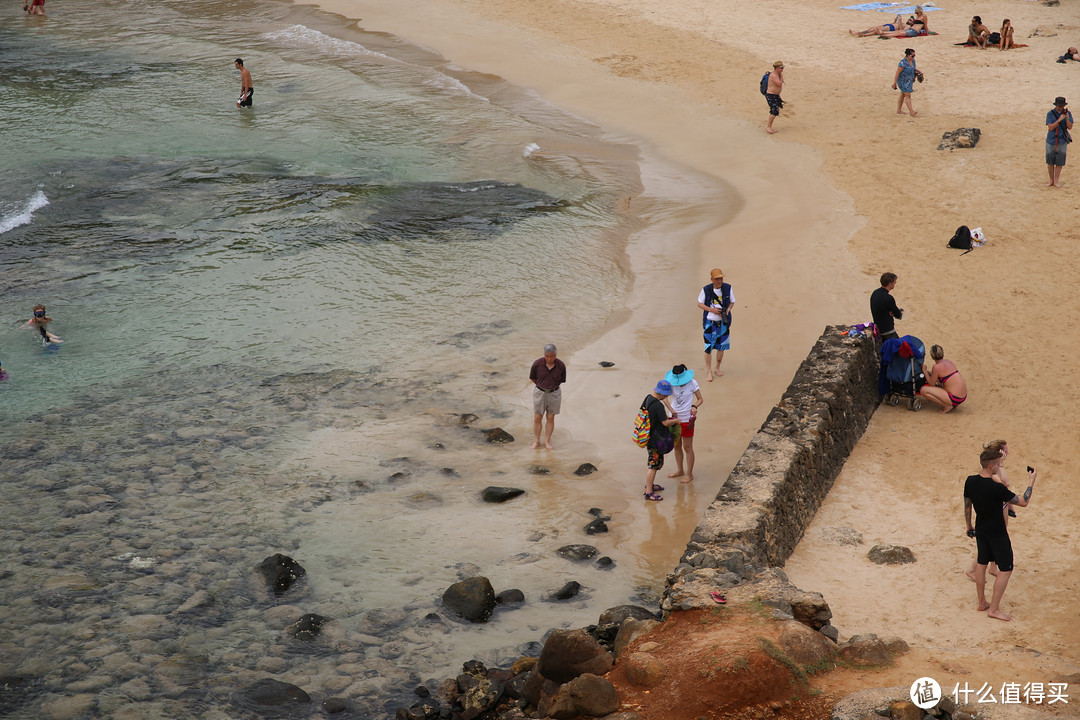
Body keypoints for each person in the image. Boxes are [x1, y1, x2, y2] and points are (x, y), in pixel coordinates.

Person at [964, 447, 1037, 621]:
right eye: (998, 464)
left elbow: (967, 505)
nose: (999, 467)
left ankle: (982, 602)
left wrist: (969, 526)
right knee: (1006, 568)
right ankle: (994, 609)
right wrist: (1031, 481)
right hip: (997, 533)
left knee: (981, 563)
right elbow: (1023, 502)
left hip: (980, 528)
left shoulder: (970, 481)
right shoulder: (996, 488)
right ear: (991, 467)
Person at [966, 440, 1013, 581]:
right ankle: (971, 569)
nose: (1008, 453)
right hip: (997, 507)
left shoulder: (991, 465)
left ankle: (993, 567)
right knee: (996, 538)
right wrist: (1002, 464)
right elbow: (1005, 483)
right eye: (1005, 450)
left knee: (995, 537)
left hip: (1001, 504)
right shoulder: (995, 469)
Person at [641, 380, 681, 501]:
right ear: (662, 393)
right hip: (656, 439)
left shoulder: (648, 398)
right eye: (666, 395)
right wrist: (676, 421)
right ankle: (648, 492)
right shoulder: (658, 405)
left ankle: (650, 485)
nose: (667, 396)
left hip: (649, 436)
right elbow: (665, 422)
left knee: (653, 463)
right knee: (653, 465)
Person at [664, 364, 703, 484]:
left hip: (687, 419)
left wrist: (694, 406)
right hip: (673, 419)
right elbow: (664, 397)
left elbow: (700, 399)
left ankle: (689, 474)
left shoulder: (692, 383)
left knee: (688, 447)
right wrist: (671, 409)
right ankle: (680, 470)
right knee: (676, 446)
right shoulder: (671, 383)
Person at [697, 268, 735, 381]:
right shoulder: (706, 290)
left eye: (721, 278)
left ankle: (717, 368)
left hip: (723, 323)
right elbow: (699, 303)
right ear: (712, 279)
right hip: (710, 323)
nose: (720, 281)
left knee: (721, 347)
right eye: (717, 279)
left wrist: (727, 310)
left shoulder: (728, 288)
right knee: (708, 348)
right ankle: (709, 372)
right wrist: (711, 310)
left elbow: (732, 302)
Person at [529, 343, 566, 450]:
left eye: (552, 356)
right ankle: (536, 441)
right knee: (537, 417)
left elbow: (562, 380)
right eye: (547, 356)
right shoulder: (537, 364)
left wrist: (551, 386)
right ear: (544, 355)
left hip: (554, 393)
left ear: (556, 355)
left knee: (550, 417)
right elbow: (533, 378)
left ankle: (547, 441)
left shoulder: (561, 365)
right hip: (539, 393)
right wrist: (542, 386)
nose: (549, 359)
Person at [920, 344, 967, 413]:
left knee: (923, 390)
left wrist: (924, 371)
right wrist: (927, 372)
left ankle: (947, 405)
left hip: (954, 398)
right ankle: (950, 404)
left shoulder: (936, 367)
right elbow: (939, 375)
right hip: (963, 396)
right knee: (939, 385)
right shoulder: (948, 362)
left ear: (932, 356)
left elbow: (931, 384)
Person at [1046, 96, 1073, 188]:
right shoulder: (1050, 114)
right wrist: (1059, 120)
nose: (1061, 107)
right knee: (1050, 161)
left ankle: (1056, 180)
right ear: (1056, 105)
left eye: (1062, 106)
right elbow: (1051, 127)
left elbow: (1070, 127)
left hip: (1062, 140)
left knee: (1060, 161)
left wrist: (1067, 118)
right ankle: (1051, 180)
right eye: (1059, 106)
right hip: (1051, 140)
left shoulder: (1067, 113)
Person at [869, 272, 903, 343]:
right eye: (894, 282)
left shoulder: (875, 293)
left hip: (878, 330)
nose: (895, 283)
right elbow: (898, 315)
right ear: (890, 284)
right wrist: (894, 313)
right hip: (888, 332)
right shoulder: (888, 298)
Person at [892, 48, 918, 116]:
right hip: (902, 81)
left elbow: (913, 69)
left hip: (909, 81)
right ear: (908, 55)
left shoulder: (913, 61)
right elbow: (897, 73)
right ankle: (911, 111)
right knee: (908, 95)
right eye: (912, 56)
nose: (913, 57)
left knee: (903, 95)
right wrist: (894, 83)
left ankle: (899, 110)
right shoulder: (902, 63)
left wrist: (915, 76)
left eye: (914, 56)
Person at [765, 61, 784, 134]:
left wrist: (778, 94)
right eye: (781, 68)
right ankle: (768, 127)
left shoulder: (778, 75)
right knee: (774, 111)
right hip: (771, 95)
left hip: (775, 95)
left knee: (775, 110)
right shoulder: (773, 75)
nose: (782, 69)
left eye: (782, 68)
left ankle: (769, 126)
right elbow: (779, 84)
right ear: (776, 68)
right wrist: (781, 77)